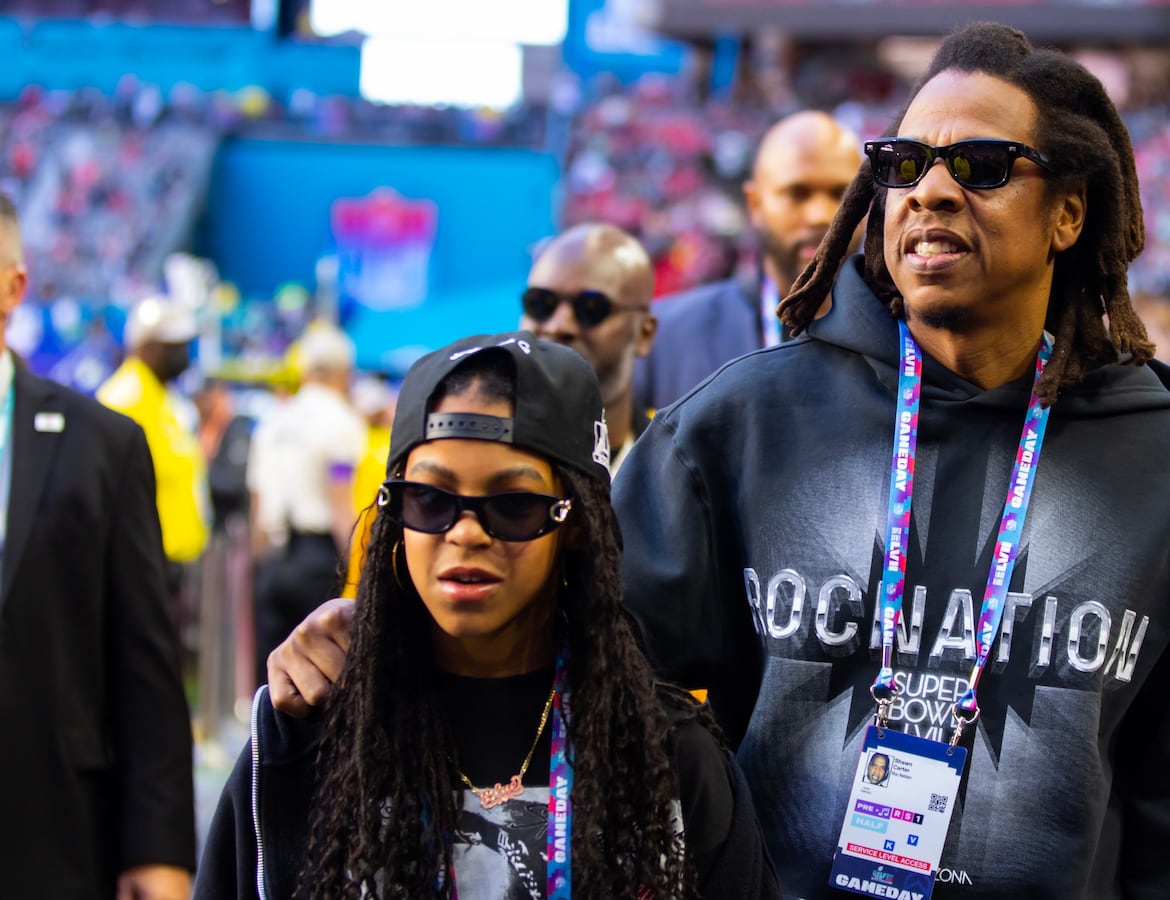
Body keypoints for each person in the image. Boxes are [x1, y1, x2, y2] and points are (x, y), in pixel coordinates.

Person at [270, 24, 1170, 898]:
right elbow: (570, 652)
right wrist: (378, 635)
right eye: (903, 164)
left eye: (979, 165)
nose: (929, 191)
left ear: (1068, 212)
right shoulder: (740, 425)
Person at [198, 333, 778, 899]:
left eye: (514, 505)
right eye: (430, 498)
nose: (466, 533)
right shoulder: (311, 733)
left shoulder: (664, 754)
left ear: (576, 523)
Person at [0, 193, 195, 898]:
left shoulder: (101, 444)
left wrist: (158, 848)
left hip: (49, 837)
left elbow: (142, 661)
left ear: (13, 288)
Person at [633, 111, 862, 411]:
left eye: (841, 194)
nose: (820, 215)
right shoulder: (667, 338)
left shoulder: (905, 340)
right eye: (797, 193)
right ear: (755, 205)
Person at [247, 322, 367, 682]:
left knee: (271, 681)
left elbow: (257, 504)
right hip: (317, 560)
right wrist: (358, 566)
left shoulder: (273, 420)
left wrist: (261, 569)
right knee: (322, 678)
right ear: (343, 373)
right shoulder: (342, 422)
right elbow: (340, 499)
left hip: (273, 560)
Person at [520, 223, 656, 471]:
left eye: (590, 308)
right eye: (541, 304)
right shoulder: (475, 455)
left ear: (644, 334)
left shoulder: (679, 475)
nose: (558, 326)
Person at [97, 294, 210, 577]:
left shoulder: (165, 399)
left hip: (170, 561)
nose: (182, 354)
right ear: (145, 347)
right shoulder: (124, 400)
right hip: (142, 563)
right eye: (172, 347)